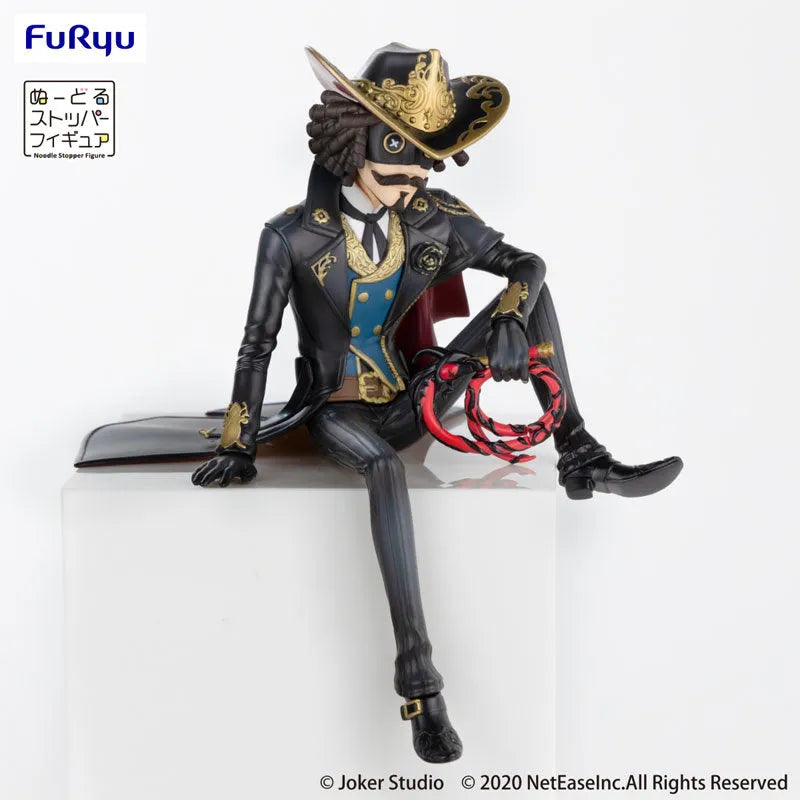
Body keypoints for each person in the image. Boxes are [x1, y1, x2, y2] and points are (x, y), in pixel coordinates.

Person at [191, 43, 683, 763]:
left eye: (424, 163)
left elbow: (527, 264)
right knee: (383, 470)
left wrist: (510, 316)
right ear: (353, 142)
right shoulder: (289, 236)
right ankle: (420, 684)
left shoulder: (430, 216)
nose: (414, 179)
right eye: (399, 159)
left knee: (535, 294)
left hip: (412, 394)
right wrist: (239, 445)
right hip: (337, 411)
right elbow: (255, 345)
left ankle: (578, 451)